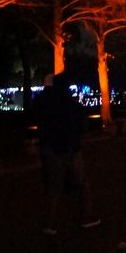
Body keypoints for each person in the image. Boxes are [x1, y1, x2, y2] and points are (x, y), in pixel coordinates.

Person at [34, 73, 98, 235]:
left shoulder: (45, 102)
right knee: (83, 183)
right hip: (72, 148)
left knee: (54, 188)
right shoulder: (73, 104)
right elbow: (84, 125)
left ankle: (51, 224)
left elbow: (37, 109)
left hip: (52, 149)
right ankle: (86, 217)